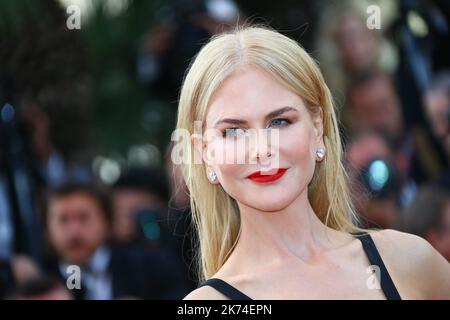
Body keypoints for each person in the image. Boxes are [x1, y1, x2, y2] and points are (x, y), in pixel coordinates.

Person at [174, 26, 450, 299]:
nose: (261, 150)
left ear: (317, 129)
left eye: (279, 121)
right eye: (233, 131)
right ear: (205, 152)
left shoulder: (408, 260)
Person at [42, 182, 189, 299]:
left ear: (107, 222)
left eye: (84, 217)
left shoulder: (151, 266)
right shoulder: (39, 283)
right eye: (63, 220)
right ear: (47, 230)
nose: (74, 231)